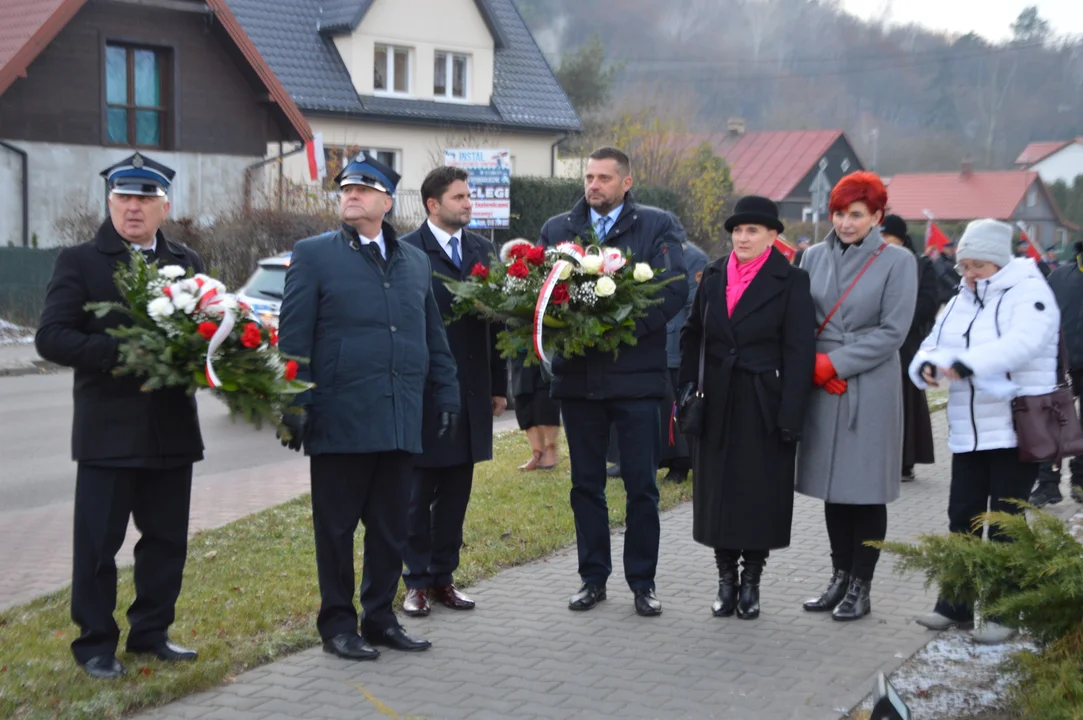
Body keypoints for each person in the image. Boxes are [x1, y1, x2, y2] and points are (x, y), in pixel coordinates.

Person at [277, 153, 460, 661]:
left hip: (400, 416)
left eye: (363, 189)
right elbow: (291, 338)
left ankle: (379, 617)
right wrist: (292, 403)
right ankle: (338, 624)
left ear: (386, 201)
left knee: (390, 528)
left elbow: (432, 337)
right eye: (346, 189)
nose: (351, 195)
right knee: (335, 530)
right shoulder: (314, 255)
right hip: (339, 418)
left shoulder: (415, 261)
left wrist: (446, 394)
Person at [35, 153, 203, 679]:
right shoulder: (81, 261)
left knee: (166, 542)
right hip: (109, 431)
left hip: (172, 429)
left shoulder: (187, 262)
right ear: (110, 203)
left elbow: (205, 331)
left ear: (164, 206)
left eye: (145, 199)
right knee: (98, 545)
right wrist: (118, 352)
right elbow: (51, 336)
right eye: (124, 198)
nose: (134, 208)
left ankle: (151, 633)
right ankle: (95, 645)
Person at [538, 146, 688, 616]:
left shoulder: (657, 226)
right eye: (588, 177)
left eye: (603, 178)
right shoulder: (559, 230)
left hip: (637, 380)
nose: (593, 186)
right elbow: (541, 293)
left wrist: (617, 328)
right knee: (586, 485)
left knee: (642, 486)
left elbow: (674, 289)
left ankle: (642, 582)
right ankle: (592, 578)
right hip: (579, 381)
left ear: (626, 183)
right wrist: (574, 333)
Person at [909, 219, 1059, 644]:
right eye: (964, 266)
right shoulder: (964, 297)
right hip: (969, 429)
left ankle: (1003, 609)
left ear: (998, 261)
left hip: (1016, 429)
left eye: (978, 265)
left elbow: (1023, 343)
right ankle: (955, 602)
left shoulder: (1029, 291)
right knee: (963, 516)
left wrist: (969, 363)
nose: (969, 273)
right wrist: (924, 366)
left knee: (1006, 522)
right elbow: (934, 341)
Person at [678, 196, 815, 620]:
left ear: (773, 236)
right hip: (717, 399)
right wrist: (687, 388)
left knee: (758, 494)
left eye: (752, 230)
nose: (742, 237)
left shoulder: (791, 281)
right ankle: (725, 581)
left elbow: (799, 352)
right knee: (718, 493)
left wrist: (791, 414)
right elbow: (692, 333)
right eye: (737, 230)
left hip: (763, 401)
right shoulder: (714, 274)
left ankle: (752, 581)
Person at [797, 171, 918, 622]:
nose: (845, 223)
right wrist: (814, 364)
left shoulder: (898, 262)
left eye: (856, 215)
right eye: (839, 213)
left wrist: (837, 364)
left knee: (864, 490)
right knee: (834, 489)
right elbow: (800, 318)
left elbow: (893, 331)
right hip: (822, 381)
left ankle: (861, 586)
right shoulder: (811, 257)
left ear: (876, 217)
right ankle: (838, 576)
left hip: (869, 384)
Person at [399, 166, 507, 617]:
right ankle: (416, 581)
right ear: (432, 204)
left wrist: (500, 387)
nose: (468, 204)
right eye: (459, 197)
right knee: (417, 495)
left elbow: (499, 322)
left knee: (456, 496)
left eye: (469, 197)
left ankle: (445, 577)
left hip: (472, 393)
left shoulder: (484, 251)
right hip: (425, 396)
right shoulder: (407, 252)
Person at [881, 214, 937, 480]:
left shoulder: (921, 265)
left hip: (906, 346)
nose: (882, 243)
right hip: (876, 347)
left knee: (906, 405)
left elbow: (928, 303)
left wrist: (898, 320)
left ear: (901, 239)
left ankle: (905, 461)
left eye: (887, 237)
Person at [1029, 241, 1083, 507]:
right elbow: (1041, 315)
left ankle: (1080, 481)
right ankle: (1048, 484)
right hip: (1059, 362)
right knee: (1052, 425)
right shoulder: (1060, 276)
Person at [661, 223, 709, 484]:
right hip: (659, 345)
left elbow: (693, 304)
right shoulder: (660, 251)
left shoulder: (695, 259)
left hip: (677, 345)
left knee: (681, 406)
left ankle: (683, 463)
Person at [511, 357, 561, 470]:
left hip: (543, 351)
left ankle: (551, 448)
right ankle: (537, 454)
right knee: (522, 399)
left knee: (545, 400)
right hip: (518, 349)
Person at [932, 241, 961, 305]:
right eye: (950, 249)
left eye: (952, 249)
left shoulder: (953, 260)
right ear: (944, 249)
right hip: (944, 293)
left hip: (954, 293)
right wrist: (954, 285)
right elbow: (943, 274)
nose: (952, 251)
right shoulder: (940, 260)